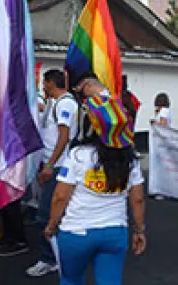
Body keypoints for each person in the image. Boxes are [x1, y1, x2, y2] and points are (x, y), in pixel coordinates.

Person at [43, 95, 146, 284]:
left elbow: (60, 197)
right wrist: (139, 230)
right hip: (115, 232)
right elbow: (137, 199)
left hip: (76, 233)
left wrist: (51, 226)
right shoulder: (131, 158)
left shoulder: (78, 155)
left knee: (71, 280)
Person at [26, 69, 79, 277]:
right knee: (55, 214)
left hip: (57, 166)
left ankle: (49, 260)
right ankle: (59, 256)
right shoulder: (55, 103)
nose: (42, 87)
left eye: (44, 84)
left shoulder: (65, 104)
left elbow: (64, 137)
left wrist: (49, 165)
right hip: (52, 163)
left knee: (46, 215)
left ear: (50, 83)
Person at [150, 92, 171, 201]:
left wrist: (154, 122)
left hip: (160, 142)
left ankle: (160, 189)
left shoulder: (163, 111)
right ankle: (161, 189)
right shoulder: (164, 111)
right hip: (161, 141)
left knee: (160, 166)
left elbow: (162, 124)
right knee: (161, 165)